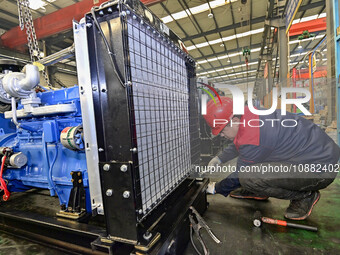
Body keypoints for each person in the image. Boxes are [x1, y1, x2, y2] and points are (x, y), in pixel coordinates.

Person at [204, 97, 340, 220]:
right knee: (254, 166)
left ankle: (305, 196)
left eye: (222, 130)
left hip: (319, 170)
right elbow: (240, 141)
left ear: (234, 120)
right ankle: (258, 190)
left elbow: (240, 171)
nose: (221, 135)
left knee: (248, 177)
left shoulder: (254, 134)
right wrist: (220, 158)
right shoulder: (248, 116)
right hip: (316, 156)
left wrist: (217, 188)